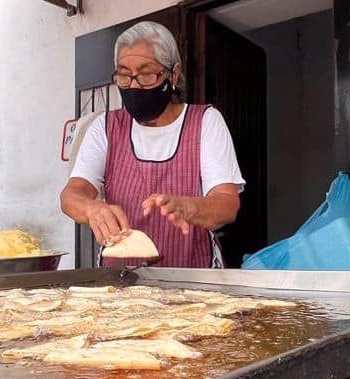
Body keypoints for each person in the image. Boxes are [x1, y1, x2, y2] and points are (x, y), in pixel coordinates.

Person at [61, 21, 245, 268]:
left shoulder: (205, 122)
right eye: (124, 76)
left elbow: (227, 204)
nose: (134, 85)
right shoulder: (105, 127)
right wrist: (92, 208)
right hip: (120, 283)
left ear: (173, 74)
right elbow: (71, 195)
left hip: (193, 281)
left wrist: (189, 207)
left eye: (146, 74)